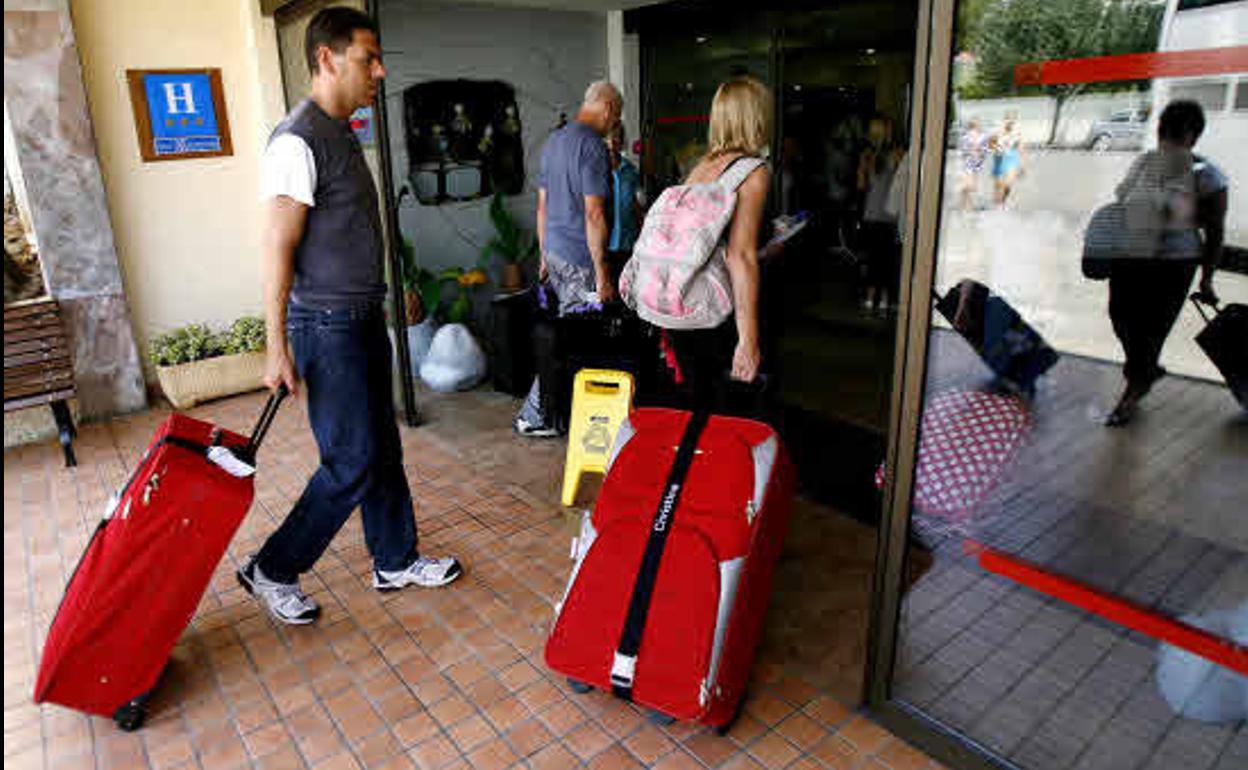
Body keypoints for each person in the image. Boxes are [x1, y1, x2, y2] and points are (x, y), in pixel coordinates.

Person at [240, 8, 462, 625]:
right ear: (327, 58)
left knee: (381, 448)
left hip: (361, 318)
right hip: (326, 326)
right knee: (351, 459)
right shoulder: (296, 139)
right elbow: (278, 247)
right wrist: (275, 345)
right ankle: (273, 567)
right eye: (368, 57)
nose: (380, 70)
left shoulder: (340, 129)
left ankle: (394, 557)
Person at [1104, 100, 1227, 426]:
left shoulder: (1208, 176)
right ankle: (1146, 371)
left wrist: (1207, 279)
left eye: (1176, 133)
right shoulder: (1146, 162)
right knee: (1120, 317)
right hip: (1131, 255)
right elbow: (1122, 197)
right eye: (1164, 131)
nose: (1167, 139)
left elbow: (1215, 233)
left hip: (1175, 264)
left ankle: (1133, 388)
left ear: (1192, 137)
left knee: (1151, 330)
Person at [513, 81, 622, 437]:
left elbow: (542, 207)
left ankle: (550, 412)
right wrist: (603, 274)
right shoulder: (591, 146)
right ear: (606, 109)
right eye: (616, 116)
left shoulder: (555, 141)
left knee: (564, 337)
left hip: (557, 255)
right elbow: (594, 214)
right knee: (578, 340)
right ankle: (538, 414)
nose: (614, 124)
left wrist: (544, 255)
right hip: (579, 261)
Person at [662, 77, 772, 408]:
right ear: (756, 116)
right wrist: (748, 339)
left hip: (683, 304)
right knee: (730, 408)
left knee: (698, 403)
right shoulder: (753, 171)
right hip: (719, 311)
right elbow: (740, 256)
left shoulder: (700, 168)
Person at [606, 122, 643, 286]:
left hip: (628, 242)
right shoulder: (595, 170)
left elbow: (637, 205)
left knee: (628, 288)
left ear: (622, 141)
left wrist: (642, 237)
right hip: (604, 245)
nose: (612, 141)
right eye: (608, 137)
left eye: (617, 137)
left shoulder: (631, 171)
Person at [989, 117, 1024, 208]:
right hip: (999, 159)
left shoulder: (1017, 134)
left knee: (1008, 184)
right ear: (1004, 122)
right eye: (1007, 121)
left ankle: (1002, 201)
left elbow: (1021, 149)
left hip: (1011, 159)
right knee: (999, 184)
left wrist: (1022, 166)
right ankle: (998, 203)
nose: (1009, 124)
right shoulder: (997, 133)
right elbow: (990, 143)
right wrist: (996, 148)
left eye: (1012, 122)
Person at [957, 119, 987, 211]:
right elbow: (962, 152)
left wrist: (980, 153)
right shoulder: (966, 138)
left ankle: (964, 203)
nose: (979, 126)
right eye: (977, 125)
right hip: (968, 164)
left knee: (972, 186)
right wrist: (971, 151)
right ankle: (968, 205)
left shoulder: (982, 137)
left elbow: (984, 150)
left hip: (976, 164)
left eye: (979, 124)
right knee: (971, 186)